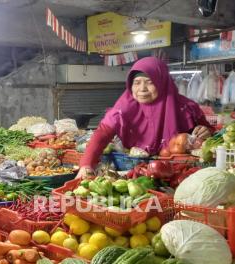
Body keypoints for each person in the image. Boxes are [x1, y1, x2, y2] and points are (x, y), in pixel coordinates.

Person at [77, 57, 213, 179]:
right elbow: (102, 133)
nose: (142, 89)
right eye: (136, 83)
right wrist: (86, 164)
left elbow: (209, 133)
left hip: (179, 175)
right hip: (137, 174)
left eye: (149, 82)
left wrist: (206, 132)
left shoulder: (186, 107)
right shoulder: (123, 107)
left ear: (162, 83)